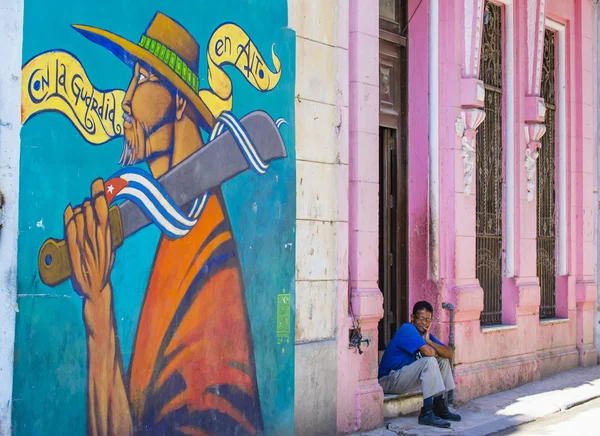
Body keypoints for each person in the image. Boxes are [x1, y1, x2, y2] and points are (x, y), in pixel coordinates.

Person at [64, 13, 263, 435]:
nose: (125, 98)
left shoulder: (206, 253)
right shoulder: (180, 225)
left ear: (178, 101)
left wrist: (100, 311)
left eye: (142, 78)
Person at [378, 301, 461, 429]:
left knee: (442, 360)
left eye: (428, 320)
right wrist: (428, 344)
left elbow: (450, 354)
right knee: (429, 360)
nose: (424, 323)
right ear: (412, 317)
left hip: (403, 378)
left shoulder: (424, 335)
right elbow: (429, 352)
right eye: (421, 318)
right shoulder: (408, 329)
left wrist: (428, 340)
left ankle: (439, 406)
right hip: (388, 379)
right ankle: (426, 413)